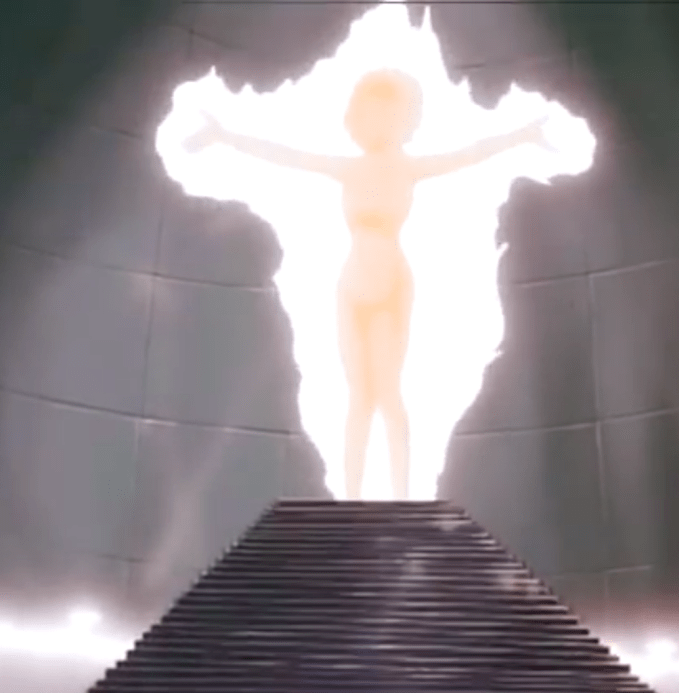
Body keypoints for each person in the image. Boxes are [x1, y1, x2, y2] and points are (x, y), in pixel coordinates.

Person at [184, 69, 555, 499]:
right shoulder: (349, 168)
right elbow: (286, 155)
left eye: (389, 115)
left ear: (405, 119)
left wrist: (523, 135)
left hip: (391, 282)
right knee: (359, 398)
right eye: (371, 113)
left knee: (389, 394)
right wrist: (225, 136)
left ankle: (401, 497)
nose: (379, 124)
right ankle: (353, 499)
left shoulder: (409, 167)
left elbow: (469, 154)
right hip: (352, 285)